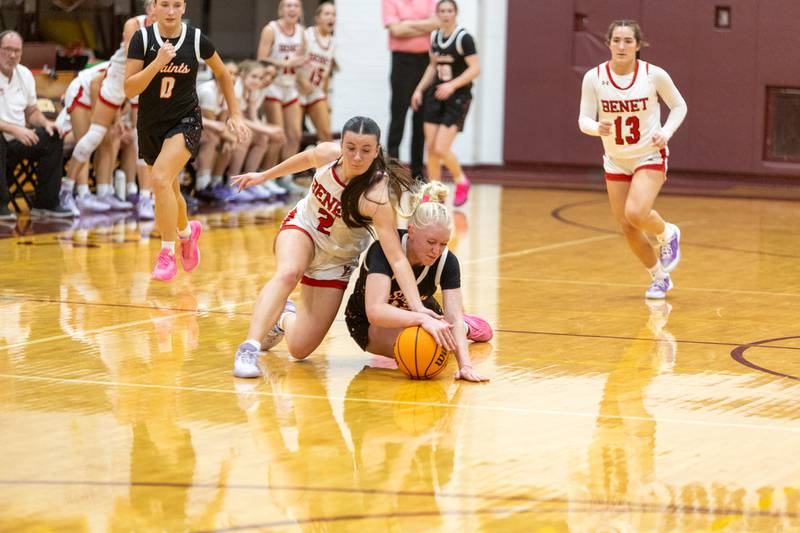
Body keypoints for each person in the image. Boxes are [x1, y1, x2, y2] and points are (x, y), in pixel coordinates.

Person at [230, 116, 456, 378]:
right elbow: (304, 160)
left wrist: (418, 309)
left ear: (377, 151)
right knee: (289, 272)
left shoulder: (377, 197)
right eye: (350, 148)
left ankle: (284, 319)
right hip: (305, 228)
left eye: (365, 150)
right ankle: (249, 349)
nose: (357, 157)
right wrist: (264, 175)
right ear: (342, 144)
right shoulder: (328, 154)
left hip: (337, 259)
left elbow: (396, 258)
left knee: (300, 349)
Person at [125, 0, 248, 281]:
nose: (170, 11)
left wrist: (236, 113)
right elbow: (129, 88)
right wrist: (157, 63)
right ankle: (186, 233)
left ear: (184, 8)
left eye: (176, 5)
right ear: (153, 7)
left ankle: (167, 254)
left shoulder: (194, 39)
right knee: (169, 188)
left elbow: (223, 73)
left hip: (186, 121)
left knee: (158, 179)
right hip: (150, 123)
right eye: (164, 4)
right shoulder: (142, 39)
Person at [578, 20, 686, 299]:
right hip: (615, 159)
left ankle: (667, 232)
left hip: (649, 154)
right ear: (609, 43)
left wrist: (666, 132)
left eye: (628, 41)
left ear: (638, 45)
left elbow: (678, 106)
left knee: (636, 212)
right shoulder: (594, 77)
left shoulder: (653, 75)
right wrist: (595, 128)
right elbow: (584, 119)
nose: (622, 46)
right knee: (628, 226)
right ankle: (659, 278)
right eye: (617, 40)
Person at [344, 181, 491, 382]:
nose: (436, 251)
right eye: (431, 242)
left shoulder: (447, 261)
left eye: (443, 244)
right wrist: (423, 320)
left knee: (438, 346)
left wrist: (465, 365)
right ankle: (459, 331)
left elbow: (453, 316)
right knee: (421, 353)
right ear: (411, 231)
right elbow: (376, 311)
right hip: (368, 323)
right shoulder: (384, 250)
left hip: (422, 313)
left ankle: (467, 328)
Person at [411, 0, 479, 207]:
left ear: (456, 13)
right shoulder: (434, 36)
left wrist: (452, 85)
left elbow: (475, 69)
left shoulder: (463, 38)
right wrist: (419, 89)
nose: (446, 14)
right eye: (442, 11)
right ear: (437, 14)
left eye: (450, 10)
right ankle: (435, 194)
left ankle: (461, 181)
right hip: (436, 94)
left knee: (441, 148)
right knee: (430, 148)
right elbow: (432, 66)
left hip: (457, 97)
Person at [0, 30, 72, 220]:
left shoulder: (24, 74)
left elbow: (31, 111)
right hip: (5, 135)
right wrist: (15, 129)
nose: (12, 55)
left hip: (20, 138)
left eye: (17, 51)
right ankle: (1, 205)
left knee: (53, 136)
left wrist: (46, 123)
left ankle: (46, 204)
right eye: (7, 49)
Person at [382, 0, 439, 180]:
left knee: (420, 120)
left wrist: (407, 24)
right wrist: (423, 25)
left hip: (424, 62)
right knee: (398, 118)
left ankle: (417, 173)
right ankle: (392, 171)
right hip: (401, 62)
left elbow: (436, 22)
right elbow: (396, 30)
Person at [256, 0, 306, 192]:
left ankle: (286, 177)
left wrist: (300, 62)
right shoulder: (271, 29)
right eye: (288, 5)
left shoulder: (301, 32)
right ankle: (267, 176)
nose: (292, 9)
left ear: (300, 11)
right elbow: (261, 58)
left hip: (290, 86)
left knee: (295, 135)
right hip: (273, 87)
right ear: (281, 9)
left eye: (295, 6)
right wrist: (282, 64)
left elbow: (303, 57)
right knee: (278, 135)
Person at [298, 1, 336, 142]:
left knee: (326, 136)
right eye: (327, 14)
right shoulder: (306, 35)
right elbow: (293, 62)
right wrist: (301, 81)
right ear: (317, 18)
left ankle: (329, 164)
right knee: (294, 137)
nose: (331, 17)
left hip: (315, 90)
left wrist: (326, 99)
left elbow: (326, 75)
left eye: (333, 14)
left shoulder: (333, 42)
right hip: (298, 90)